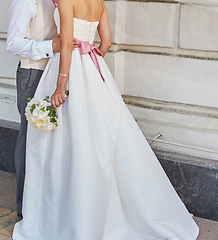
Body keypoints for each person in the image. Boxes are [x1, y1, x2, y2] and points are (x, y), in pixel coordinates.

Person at [12, 0, 199, 238]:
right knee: (99, 135)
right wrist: (90, 60)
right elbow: (107, 42)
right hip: (93, 65)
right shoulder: (99, 2)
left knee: (66, 141)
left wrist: (61, 86)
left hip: (67, 67)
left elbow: (67, 43)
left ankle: (65, 210)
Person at [6, 0, 77, 218]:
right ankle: (24, 206)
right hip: (33, 73)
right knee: (30, 139)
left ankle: (45, 203)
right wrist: (50, 47)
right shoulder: (26, 1)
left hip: (57, 73)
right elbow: (13, 43)